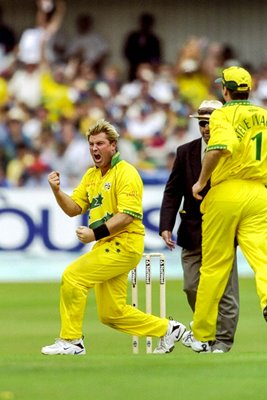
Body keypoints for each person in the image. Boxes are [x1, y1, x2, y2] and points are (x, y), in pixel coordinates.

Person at [41, 119, 186, 355]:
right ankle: (168, 329)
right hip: (106, 246)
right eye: (91, 144)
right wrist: (57, 191)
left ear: (113, 145)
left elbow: (127, 216)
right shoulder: (91, 175)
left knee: (73, 277)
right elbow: (73, 209)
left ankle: (72, 340)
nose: (94, 149)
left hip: (125, 243)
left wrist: (93, 234)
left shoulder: (126, 173)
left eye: (100, 143)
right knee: (111, 314)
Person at [191, 66, 267, 352]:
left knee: (214, 266)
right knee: (263, 258)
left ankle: (201, 334)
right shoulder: (264, 115)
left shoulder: (222, 113)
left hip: (227, 192)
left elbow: (222, 146)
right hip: (259, 193)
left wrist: (200, 182)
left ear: (225, 90)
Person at [159, 100, 239, 353]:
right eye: (203, 123)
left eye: (211, 122)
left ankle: (223, 341)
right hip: (193, 230)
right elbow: (172, 191)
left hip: (223, 229)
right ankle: (208, 329)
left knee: (225, 291)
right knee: (191, 286)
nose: (206, 128)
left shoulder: (233, 150)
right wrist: (166, 225)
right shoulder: (185, 151)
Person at [123, 12, 161, 81]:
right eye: (144, 23)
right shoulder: (133, 36)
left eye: (148, 23)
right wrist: (135, 62)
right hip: (134, 67)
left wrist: (151, 66)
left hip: (149, 69)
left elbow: (157, 56)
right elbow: (126, 51)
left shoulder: (154, 39)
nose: (145, 25)